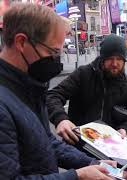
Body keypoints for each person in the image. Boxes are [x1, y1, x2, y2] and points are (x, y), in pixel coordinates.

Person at [0, 3, 117, 179]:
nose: (57, 61)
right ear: (21, 42)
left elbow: (47, 142)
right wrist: (77, 176)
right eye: (53, 51)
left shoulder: (29, 86)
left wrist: (91, 163)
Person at [46, 34, 127, 146]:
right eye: (110, 58)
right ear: (102, 58)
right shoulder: (83, 74)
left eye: (119, 59)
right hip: (78, 145)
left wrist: (124, 129)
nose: (115, 64)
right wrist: (61, 119)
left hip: (110, 147)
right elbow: (53, 95)